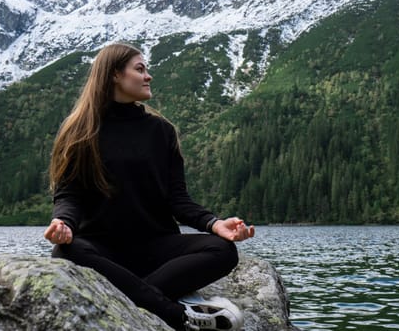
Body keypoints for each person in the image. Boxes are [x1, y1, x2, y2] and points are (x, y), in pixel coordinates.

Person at [43, 43, 255, 330]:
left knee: (223, 250)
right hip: (103, 250)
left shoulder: (161, 131)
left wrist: (215, 224)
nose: (148, 76)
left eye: (147, 69)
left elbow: (177, 199)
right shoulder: (80, 131)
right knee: (65, 252)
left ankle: (132, 298)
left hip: (157, 248)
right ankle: (178, 315)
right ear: (114, 75)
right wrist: (63, 222)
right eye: (140, 69)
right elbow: (69, 195)